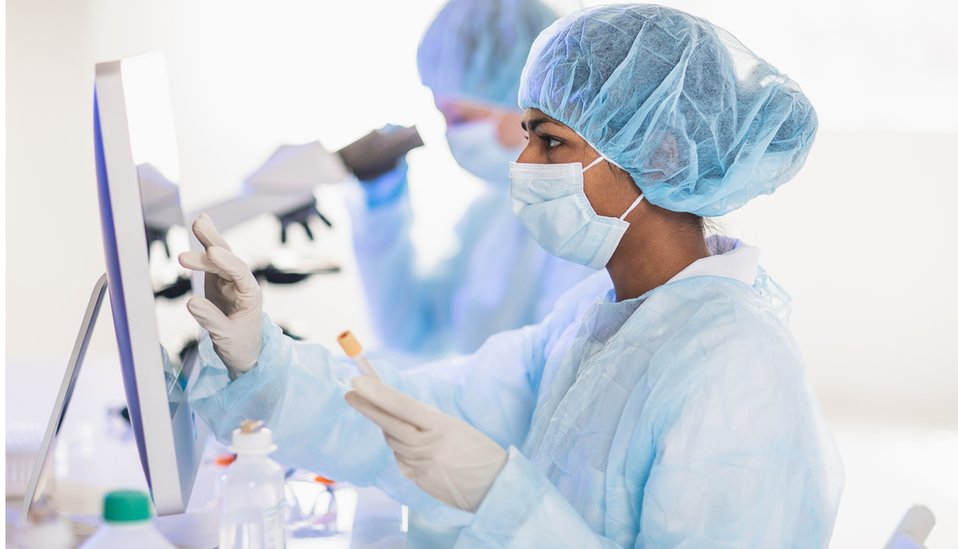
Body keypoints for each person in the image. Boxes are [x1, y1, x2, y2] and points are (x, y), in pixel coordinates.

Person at [181, 4, 843, 547]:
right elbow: (428, 407)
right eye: (526, 134)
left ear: (662, 155)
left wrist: (502, 498)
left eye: (550, 141)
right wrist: (261, 361)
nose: (522, 164)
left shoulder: (733, 366)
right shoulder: (596, 320)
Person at [349, 0, 594, 358]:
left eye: (462, 119)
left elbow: (550, 371)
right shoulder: (491, 211)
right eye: (444, 117)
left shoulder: (586, 218)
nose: (452, 135)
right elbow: (413, 334)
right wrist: (380, 210)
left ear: (525, 99)